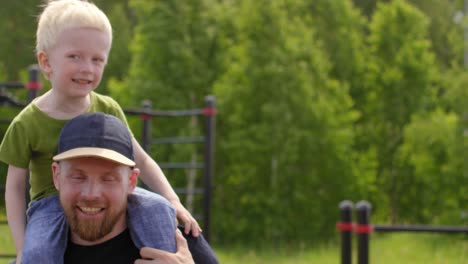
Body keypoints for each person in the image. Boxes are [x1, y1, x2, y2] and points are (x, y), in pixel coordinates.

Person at [0, 0, 201, 263]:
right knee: (37, 256)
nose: (87, 68)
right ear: (46, 62)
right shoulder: (27, 123)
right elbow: (14, 187)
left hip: (110, 193)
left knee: (159, 209)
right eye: (75, 56)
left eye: (97, 59)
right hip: (51, 202)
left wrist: (173, 200)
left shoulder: (107, 108)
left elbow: (140, 159)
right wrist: (22, 245)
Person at [51, 112, 218, 263]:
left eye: (109, 179)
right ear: (56, 176)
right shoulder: (32, 250)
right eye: (78, 177)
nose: (91, 194)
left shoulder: (176, 246)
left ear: (132, 181)